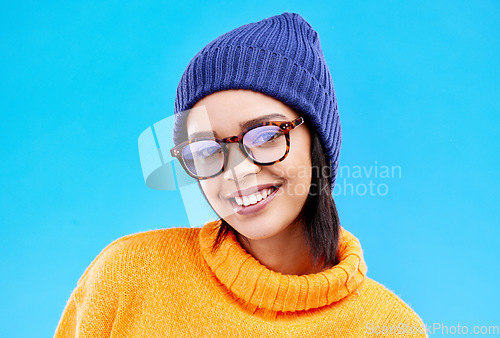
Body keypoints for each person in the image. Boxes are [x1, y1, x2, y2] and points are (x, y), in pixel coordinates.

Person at [55, 12, 427, 337]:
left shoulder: (389, 328)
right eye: (205, 149)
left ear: (318, 140)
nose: (236, 170)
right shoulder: (128, 277)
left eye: (265, 135)